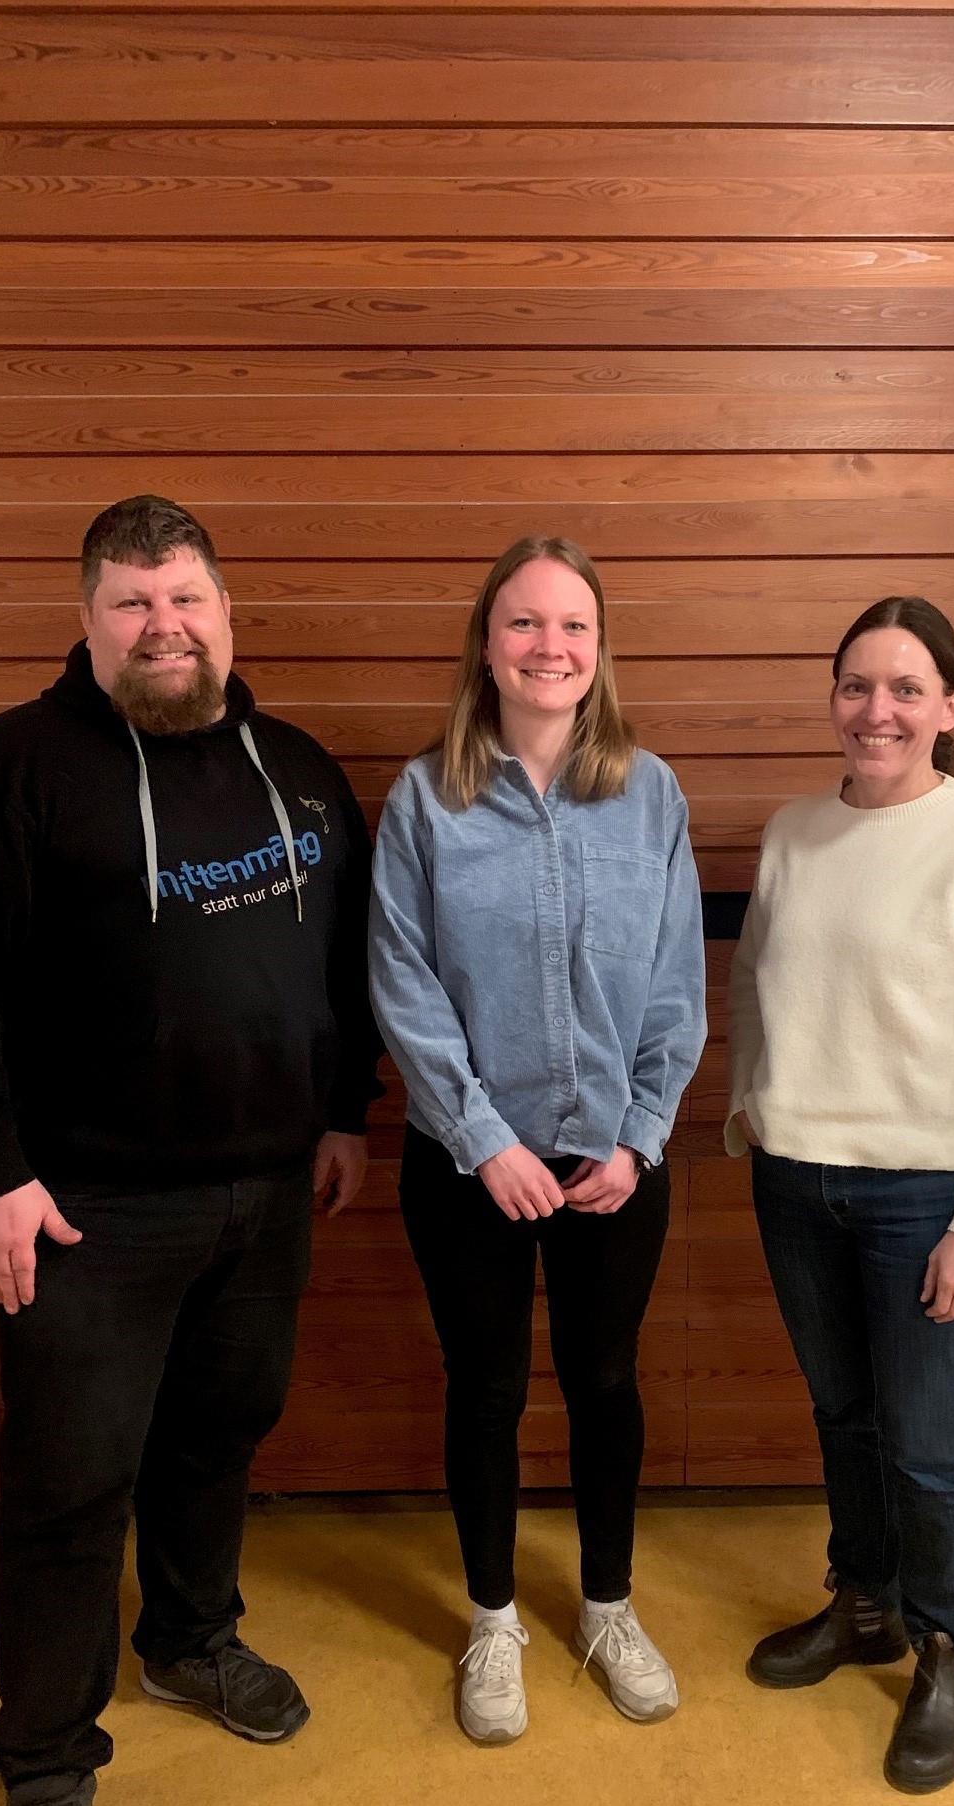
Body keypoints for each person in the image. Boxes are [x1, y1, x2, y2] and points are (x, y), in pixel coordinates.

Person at [0, 495, 381, 1806]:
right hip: (82, 1209)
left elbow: (343, 961)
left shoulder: (299, 774)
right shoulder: (8, 778)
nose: (165, 626)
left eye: (186, 598)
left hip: (267, 1192)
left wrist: (342, 1111)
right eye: (132, 602)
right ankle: (45, 1770)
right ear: (88, 621)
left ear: (226, 611)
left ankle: (189, 1637)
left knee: (221, 1433)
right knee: (70, 1489)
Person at [727, 595, 954, 1793]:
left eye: (907, 689)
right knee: (845, 1416)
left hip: (927, 1199)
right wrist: (755, 1107)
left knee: (924, 1439)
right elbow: (759, 985)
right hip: (796, 1182)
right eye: (857, 686)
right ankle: (864, 1603)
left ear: (952, 707)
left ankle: (946, 1647)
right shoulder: (792, 832)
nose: (878, 710)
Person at [369, 535, 706, 1745]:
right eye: (524, 622)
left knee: (605, 1382)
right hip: (469, 1165)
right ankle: (495, 1618)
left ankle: (608, 1606)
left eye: (573, 626)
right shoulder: (426, 800)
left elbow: (674, 984)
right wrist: (483, 1140)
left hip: (613, 1164)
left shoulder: (650, 795)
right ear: (485, 645)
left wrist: (640, 1137)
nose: (548, 647)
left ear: (599, 650)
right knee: (489, 1388)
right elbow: (402, 983)